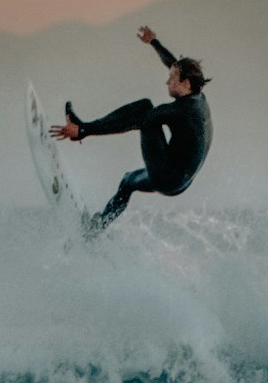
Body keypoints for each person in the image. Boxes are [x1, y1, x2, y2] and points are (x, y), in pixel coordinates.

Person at [49, 26, 212, 230]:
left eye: (172, 79)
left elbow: (136, 120)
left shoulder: (181, 111)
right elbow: (173, 64)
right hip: (181, 180)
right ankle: (97, 227)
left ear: (186, 84)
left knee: (144, 109)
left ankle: (79, 129)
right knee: (128, 182)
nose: (167, 81)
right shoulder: (196, 96)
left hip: (168, 177)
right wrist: (154, 42)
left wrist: (85, 131)